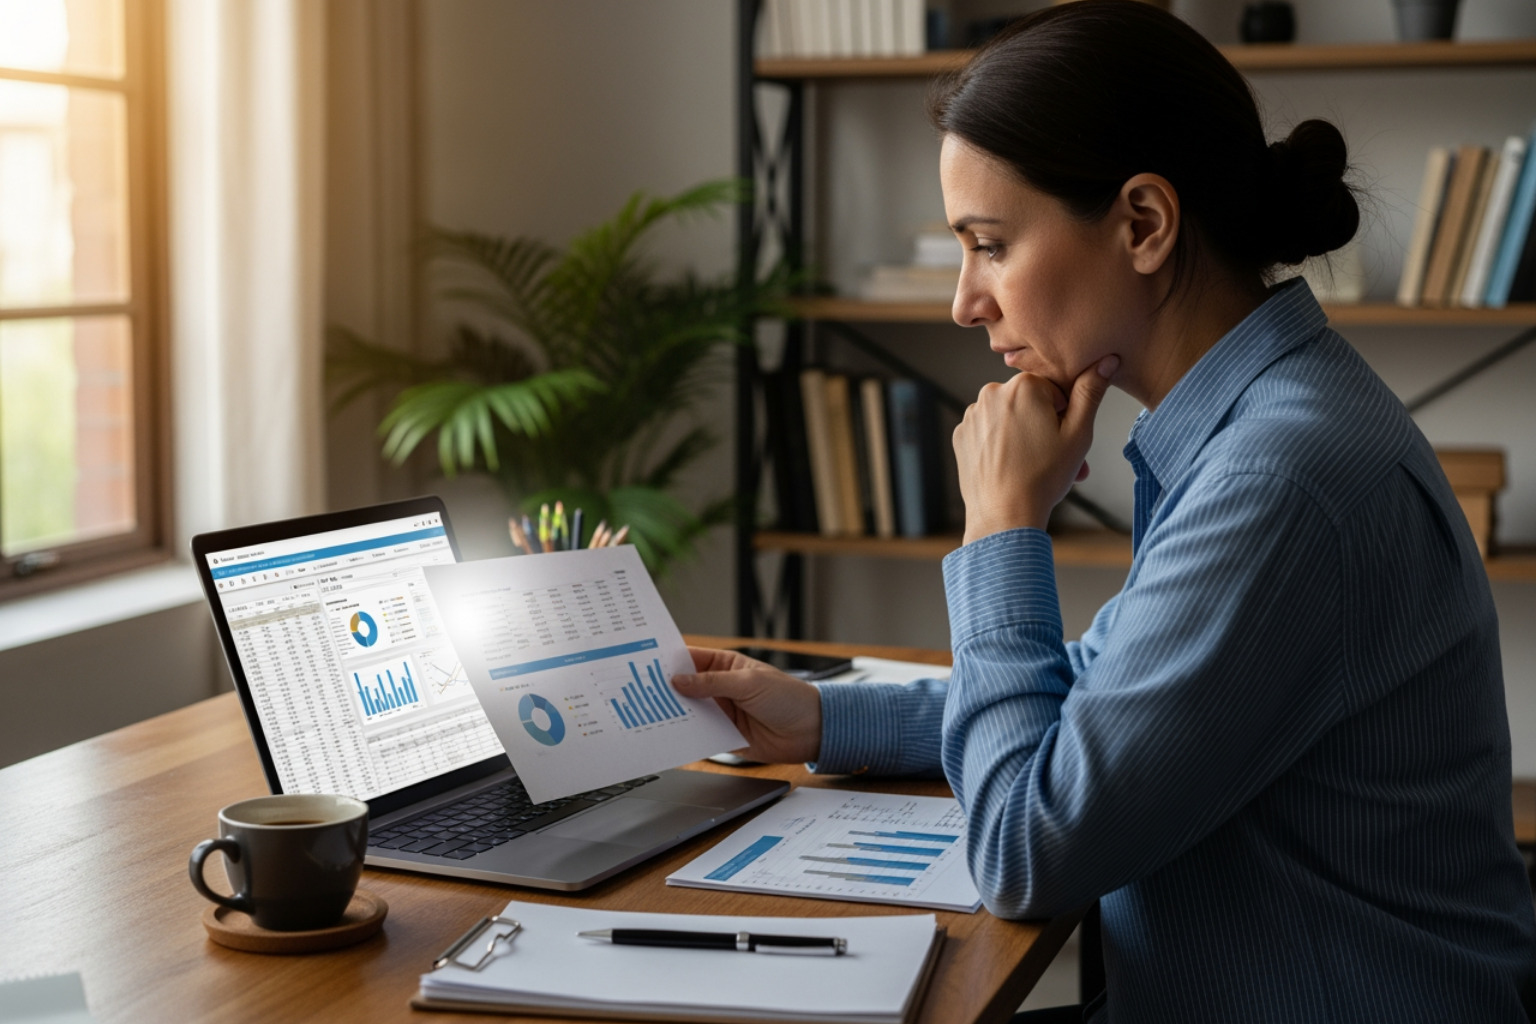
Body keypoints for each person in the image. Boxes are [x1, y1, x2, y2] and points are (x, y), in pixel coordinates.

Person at [672, 2, 1536, 1021]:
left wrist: (1002, 526)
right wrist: (823, 714)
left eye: (989, 244)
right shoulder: (1259, 418)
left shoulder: (1279, 479)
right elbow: (1111, 695)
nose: (965, 301)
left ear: (1143, 224)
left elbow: (1026, 851)